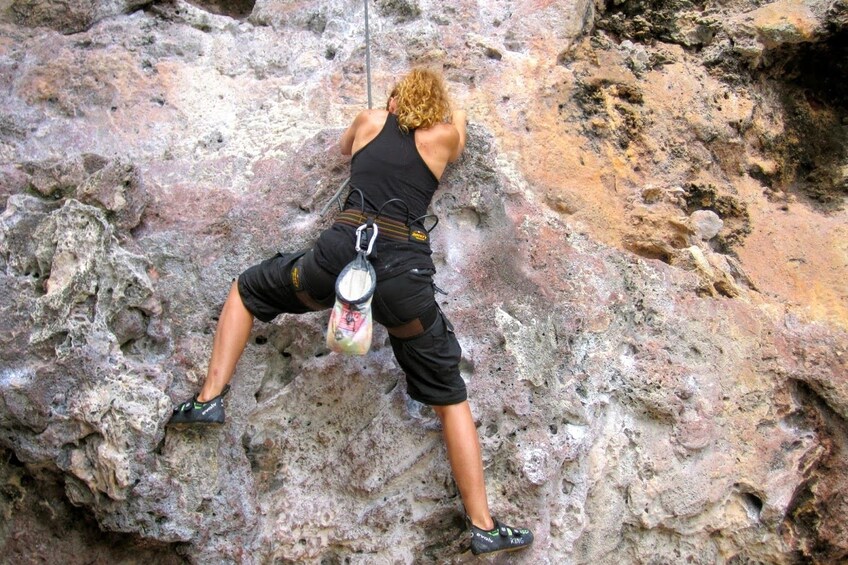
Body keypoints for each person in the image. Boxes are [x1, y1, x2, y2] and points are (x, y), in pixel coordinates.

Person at [167, 67, 534, 557]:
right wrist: (439, 109)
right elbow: (461, 124)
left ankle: (209, 398)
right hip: (404, 275)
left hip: (341, 257)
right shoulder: (444, 136)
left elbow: (345, 149)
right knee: (448, 396)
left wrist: (381, 115)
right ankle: (483, 525)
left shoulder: (368, 119)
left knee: (248, 289)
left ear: (395, 101)